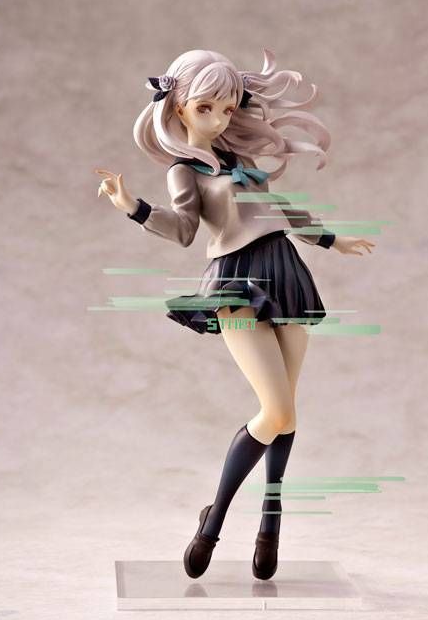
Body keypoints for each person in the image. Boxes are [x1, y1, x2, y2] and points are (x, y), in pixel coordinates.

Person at [95, 48, 374, 580]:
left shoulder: (239, 159)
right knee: (276, 411)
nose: (220, 119)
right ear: (177, 107)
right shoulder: (184, 170)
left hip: (284, 270)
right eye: (206, 108)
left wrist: (331, 239)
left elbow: (281, 209)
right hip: (236, 280)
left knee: (287, 410)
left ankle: (270, 521)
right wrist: (133, 207)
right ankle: (215, 519)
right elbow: (183, 230)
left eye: (227, 108)